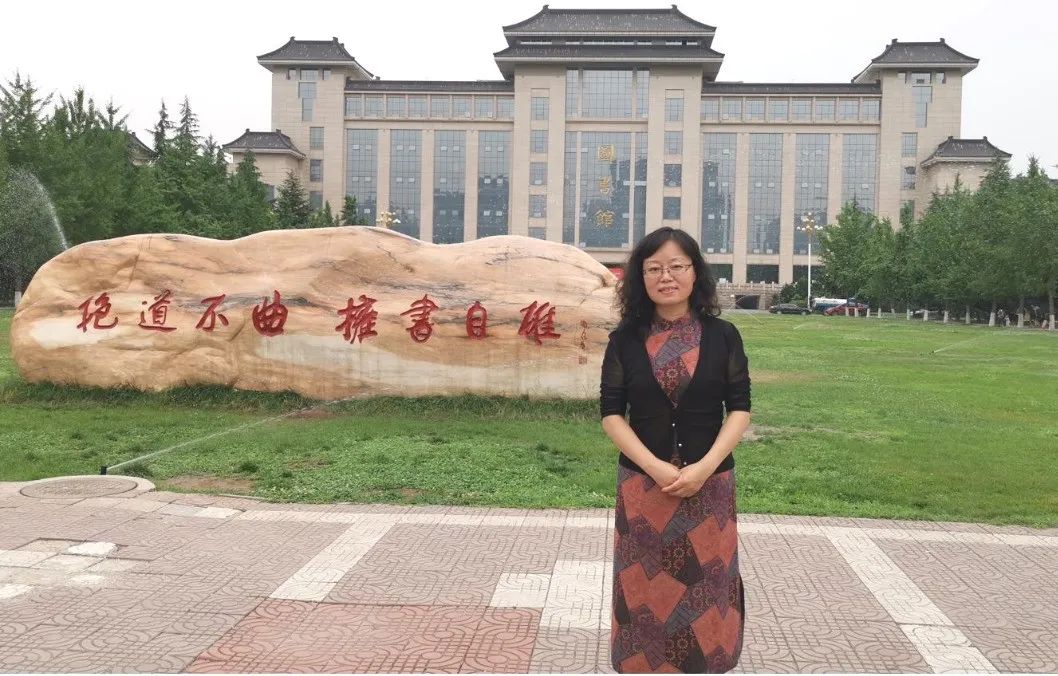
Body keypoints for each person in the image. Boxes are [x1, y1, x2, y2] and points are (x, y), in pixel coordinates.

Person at [600, 227, 752, 673]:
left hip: (710, 486)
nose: (666, 277)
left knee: (707, 590)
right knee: (645, 593)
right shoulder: (625, 340)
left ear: (695, 272)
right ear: (640, 278)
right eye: (654, 269)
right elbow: (611, 413)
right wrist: (654, 467)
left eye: (676, 266)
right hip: (643, 489)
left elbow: (739, 408)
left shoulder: (723, 336)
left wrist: (705, 467)